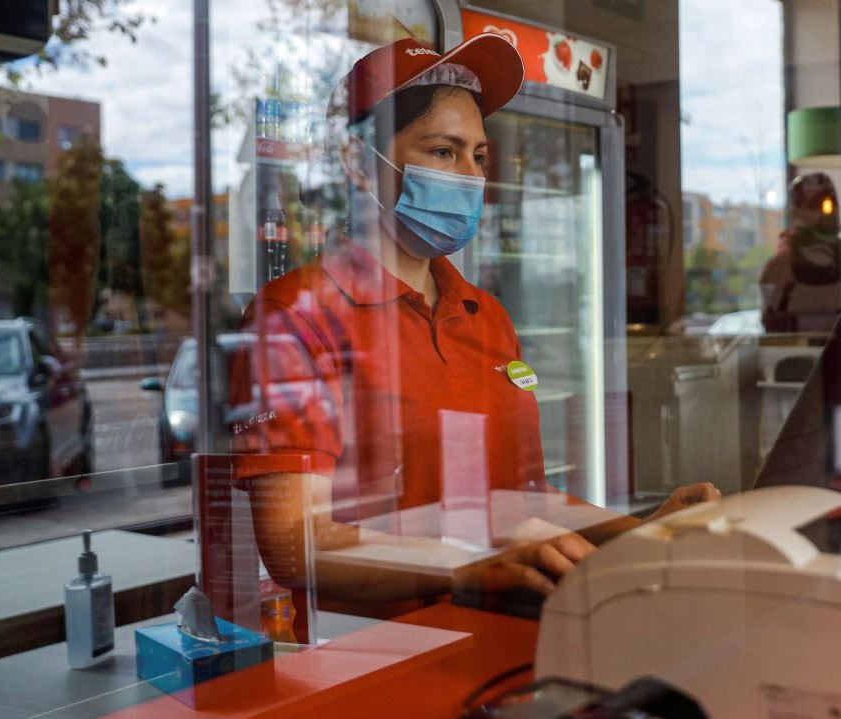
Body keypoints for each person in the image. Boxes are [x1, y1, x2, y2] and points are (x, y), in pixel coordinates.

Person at [229, 34, 719, 635]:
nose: (468, 177)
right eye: (443, 151)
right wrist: (469, 566)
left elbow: (520, 503)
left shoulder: (484, 313)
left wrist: (644, 531)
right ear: (357, 163)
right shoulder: (294, 315)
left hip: (502, 643)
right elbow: (294, 541)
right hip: (368, 658)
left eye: (479, 157)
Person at [760, 172, 841, 334]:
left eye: (831, 203)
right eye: (816, 204)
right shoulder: (777, 268)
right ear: (796, 212)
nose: (827, 211)